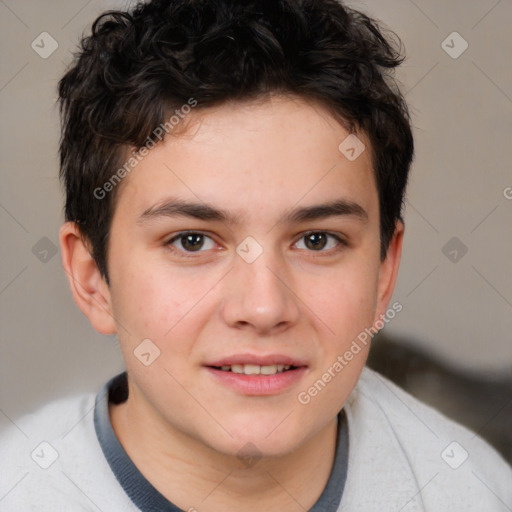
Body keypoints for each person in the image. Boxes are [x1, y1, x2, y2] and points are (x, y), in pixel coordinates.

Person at [1, 0, 511, 510]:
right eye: (192, 241)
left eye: (317, 240)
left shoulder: (476, 492)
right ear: (93, 279)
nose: (264, 308)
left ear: (384, 272)